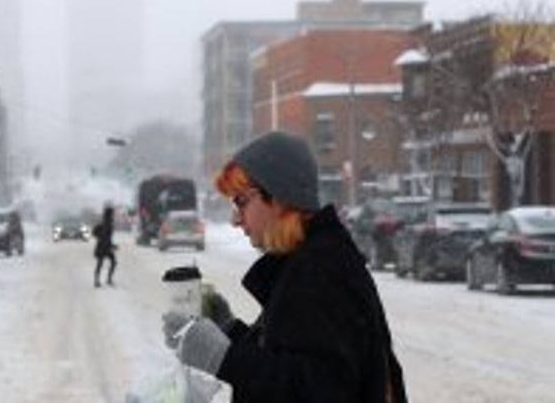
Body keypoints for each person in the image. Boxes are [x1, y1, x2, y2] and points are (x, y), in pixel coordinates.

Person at [162, 131, 407, 402]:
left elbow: (320, 390)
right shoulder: (310, 260)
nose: (234, 219)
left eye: (241, 201)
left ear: (278, 198)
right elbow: (295, 357)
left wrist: (225, 358)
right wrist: (230, 332)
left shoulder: (320, 271)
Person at [92, 204, 117, 287]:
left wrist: (100, 238)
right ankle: (105, 279)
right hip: (104, 247)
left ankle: (99, 280)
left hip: (103, 246)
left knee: (102, 263)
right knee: (108, 262)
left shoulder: (106, 223)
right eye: (112, 212)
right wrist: (111, 245)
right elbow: (103, 236)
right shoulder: (107, 223)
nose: (113, 214)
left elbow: (95, 233)